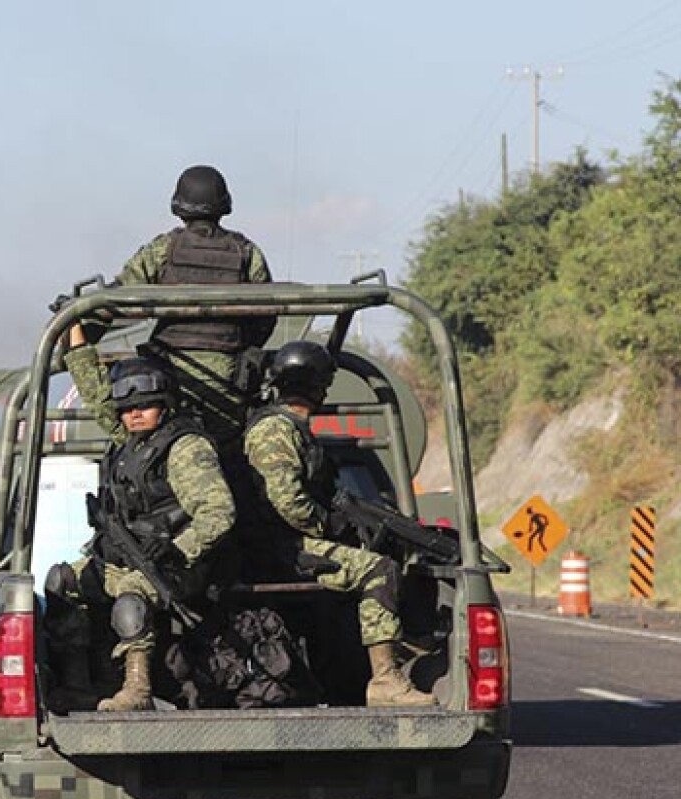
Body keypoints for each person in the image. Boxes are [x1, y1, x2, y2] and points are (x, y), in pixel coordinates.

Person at [240, 340, 435, 707]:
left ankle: (401, 647)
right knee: (378, 570)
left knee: (389, 551)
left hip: (288, 543)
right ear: (319, 385)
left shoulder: (291, 427)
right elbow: (288, 502)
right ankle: (384, 679)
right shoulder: (275, 430)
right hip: (281, 547)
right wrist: (331, 527)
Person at [45, 340, 236, 712]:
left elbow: (218, 512)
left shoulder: (185, 448)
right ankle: (79, 682)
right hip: (125, 557)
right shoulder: (129, 443)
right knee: (61, 582)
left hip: (178, 565)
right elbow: (100, 400)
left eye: (144, 406)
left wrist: (179, 548)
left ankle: (137, 688)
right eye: (127, 408)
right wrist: (78, 347)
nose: (134, 414)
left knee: (131, 600)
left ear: (165, 405)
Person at [89, 165, 275, 446]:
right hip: (230, 378)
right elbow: (266, 314)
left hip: (169, 378)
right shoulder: (246, 252)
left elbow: (120, 295)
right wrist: (239, 343)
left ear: (179, 205)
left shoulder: (163, 249)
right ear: (223, 204)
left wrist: (82, 328)